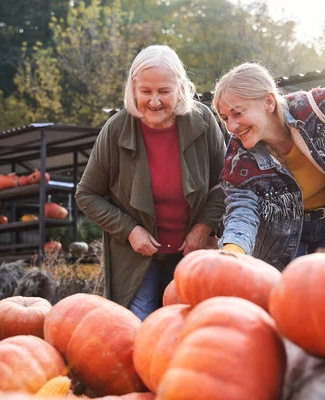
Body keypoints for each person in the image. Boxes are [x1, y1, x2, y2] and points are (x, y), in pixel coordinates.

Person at [75, 45, 226, 320]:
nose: (154, 101)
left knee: (194, 325)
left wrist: (203, 228)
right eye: (146, 92)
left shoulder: (203, 121)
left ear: (181, 88)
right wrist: (130, 230)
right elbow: (87, 194)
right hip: (137, 257)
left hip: (192, 253)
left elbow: (225, 183)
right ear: (133, 89)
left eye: (164, 92)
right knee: (137, 330)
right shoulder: (116, 129)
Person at [212, 62, 325, 270]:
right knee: (291, 298)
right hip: (283, 232)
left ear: (269, 102)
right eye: (225, 118)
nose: (231, 127)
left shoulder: (321, 107)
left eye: (238, 113)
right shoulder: (239, 157)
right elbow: (241, 209)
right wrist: (232, 254)